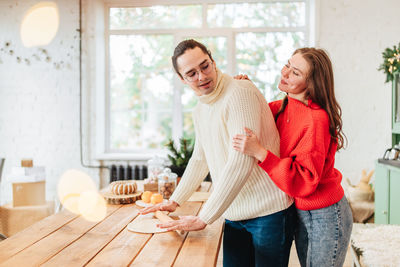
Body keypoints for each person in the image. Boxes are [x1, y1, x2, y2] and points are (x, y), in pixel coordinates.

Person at [140, 39, 295, 267]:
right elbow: (200, 159)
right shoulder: (200, 109)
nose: (201, 76)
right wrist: (174, 201)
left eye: (204, 66)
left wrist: (205, 217)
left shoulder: (239, 92)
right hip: (234, 213)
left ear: (213, 61)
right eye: (191, 73)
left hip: (269, 213)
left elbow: (242, 160)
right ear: (182, 79)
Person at [232, 47, 353, 267]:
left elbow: (305, 180)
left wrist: (260, 152)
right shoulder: (281, 107)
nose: (285, 73)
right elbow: (255, 114)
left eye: (296, 73)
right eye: (288, 64)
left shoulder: (316, 119)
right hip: (299, 209)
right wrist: (247, 89)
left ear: (311, 83)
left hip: (325, 212)